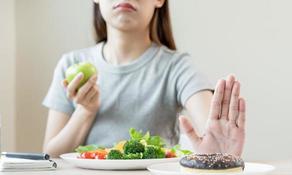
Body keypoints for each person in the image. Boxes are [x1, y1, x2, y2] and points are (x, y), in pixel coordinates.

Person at [43, 0, 246, 158]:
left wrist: (219, 149)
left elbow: (209, 125)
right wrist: (85, 111)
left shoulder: (177, 67)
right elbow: (51, 155)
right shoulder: (71, 63)